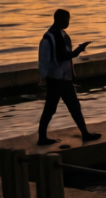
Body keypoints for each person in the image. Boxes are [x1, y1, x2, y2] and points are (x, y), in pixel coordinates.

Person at [37, 9, 101, 146]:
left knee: (72, 106)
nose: (68, 23)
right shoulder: (52, 36)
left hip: (63, 79)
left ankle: (85, 133)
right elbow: (62, 57)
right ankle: (42, 137)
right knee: (52, 108)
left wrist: (72, 75)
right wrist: (78, 50)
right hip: (56, 80)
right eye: (66, 20)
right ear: (58, 19)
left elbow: (65, 60)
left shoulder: (59, 34)